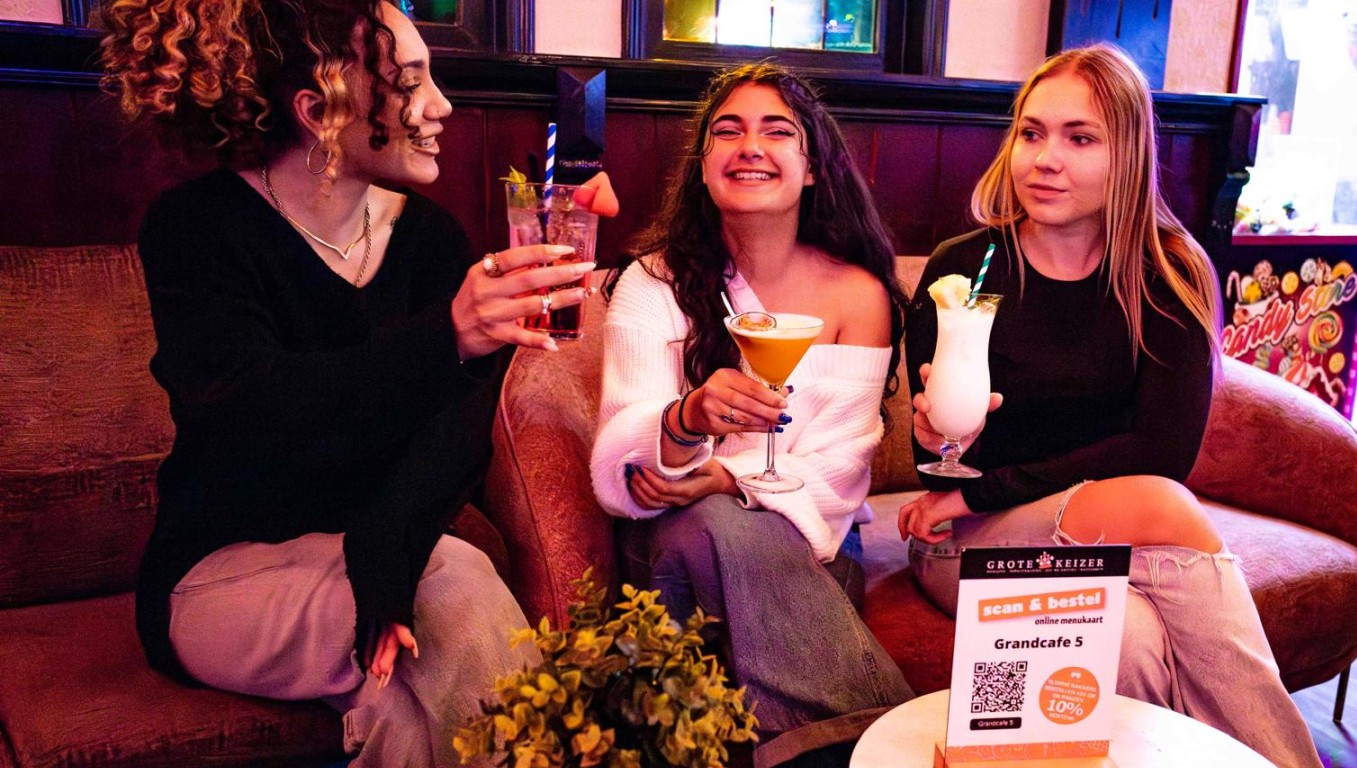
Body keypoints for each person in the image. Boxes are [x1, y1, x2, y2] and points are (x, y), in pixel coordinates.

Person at [99, 1, 591, 765]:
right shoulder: (196, 229)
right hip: (220, 572)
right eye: (412, 82)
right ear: (319, 111)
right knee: (458, 588)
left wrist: (386, 546)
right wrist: (447, 339)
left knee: (403, 706)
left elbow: (456, 438)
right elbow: (253, 411)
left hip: (388, 556)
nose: (442, 107)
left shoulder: (431, 238)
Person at [900, 44, 1321, 767]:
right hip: (964, 539)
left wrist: (986, 488)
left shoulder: (1166, 273)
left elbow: (1163, 450)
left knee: (1130, 639)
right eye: (1031, 133)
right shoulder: (963, 270)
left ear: (1127, 154)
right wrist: (946, 441)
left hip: (1071, 523)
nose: (1045, 159)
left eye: (1080, 138)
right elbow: (935, 471)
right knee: (1163, 505)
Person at [589, 62, 914, 767]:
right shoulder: (652, 284)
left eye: (777, 131)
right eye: (728, 131)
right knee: (701, 524)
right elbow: (622, 468)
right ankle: (864, 741)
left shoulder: (858, 294)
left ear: (813, 167)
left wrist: (728, 481)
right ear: (703, 167)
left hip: (810, 544)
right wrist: (684, 419)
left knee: (710, 521)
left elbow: (843, 466)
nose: (751, 147)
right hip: (671, 535)